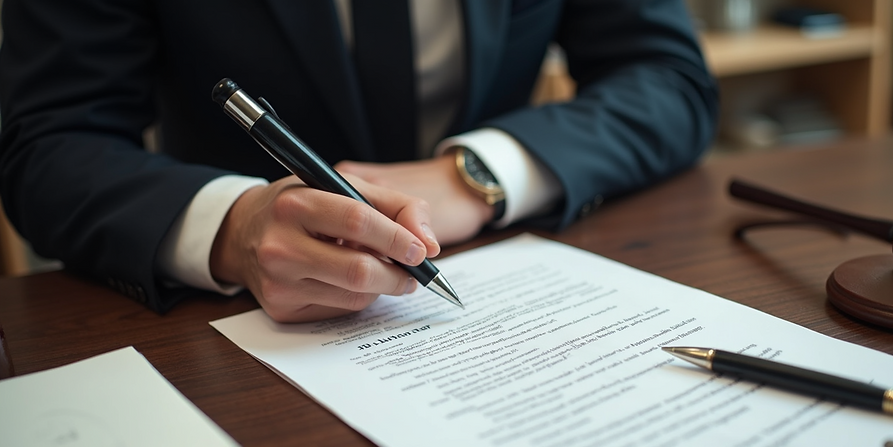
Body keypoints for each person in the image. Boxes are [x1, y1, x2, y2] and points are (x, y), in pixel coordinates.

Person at [0, 0, 717, 322]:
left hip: (496, 252)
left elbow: (667, 77)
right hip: (233, 327)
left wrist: (473, 175)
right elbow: (50, 142)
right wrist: (235, 227)